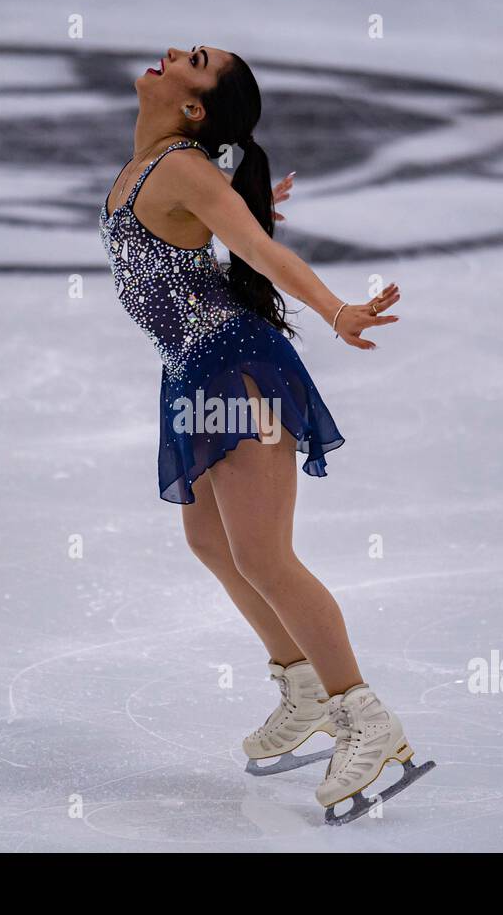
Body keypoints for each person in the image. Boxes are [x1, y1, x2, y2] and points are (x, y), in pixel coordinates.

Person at [99, 45, 432, 823]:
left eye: (197, 60)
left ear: (194, 108)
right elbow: (216, 225)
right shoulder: (156, 164)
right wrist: (244, 199)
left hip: (234, 366)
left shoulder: (179, 165)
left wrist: (336, 309)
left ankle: (365, 714)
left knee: (263, 553)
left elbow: (259, 252)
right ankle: (304, 683)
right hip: (189, 369)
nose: (176, 52)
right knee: (212, 543)